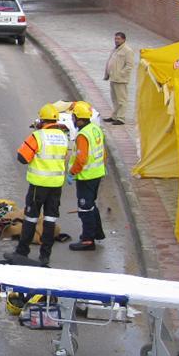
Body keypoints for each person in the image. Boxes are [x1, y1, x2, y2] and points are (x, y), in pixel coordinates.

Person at [12, 103, 70, 266]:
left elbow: (22, 158)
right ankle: (45, 256)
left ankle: (22, 251)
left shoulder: (38, 136)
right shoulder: (63, 137)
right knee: (50, 219)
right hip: (56, 185)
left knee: (31, 218)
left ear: (42, 120)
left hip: (39, 185)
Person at [68, 101, 107, 252]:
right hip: (97, 174)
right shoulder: (95, 129)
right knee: (91, 205)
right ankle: (97, 233)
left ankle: (87, 240)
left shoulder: (83, 135)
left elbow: (81, 159)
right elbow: (103, 151)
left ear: (78, 118)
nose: (72, 119)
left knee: (84, 208)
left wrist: (72, 172)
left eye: (73, 117)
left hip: (86, 176)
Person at [104, 31, 134, 124]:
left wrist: (121, 74)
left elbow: (129, 66)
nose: (116, 40)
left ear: (124, 39)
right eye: (115, 38)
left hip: (120, 79)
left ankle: (121, 118)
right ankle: (114, 116)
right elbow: (110, 61)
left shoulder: (127, 51)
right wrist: (107, 74)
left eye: (118, 39)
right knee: (114, 99)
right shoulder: (115, 49)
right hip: (113, 78)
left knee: (121, 99)